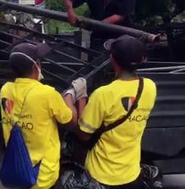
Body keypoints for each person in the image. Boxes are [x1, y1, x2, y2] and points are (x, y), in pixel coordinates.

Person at [66, 35, 157, 188]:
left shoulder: (103, 94)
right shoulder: (149, 87)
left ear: (112, 59)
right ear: (142, 59)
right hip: (131, 174)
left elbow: (84, 134)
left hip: (101, 176)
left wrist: (78, 97)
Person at [0, 43, 80, 189]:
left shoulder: (5, 90)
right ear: (36, 66)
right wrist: (71, 95)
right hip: (42, 176)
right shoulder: (47, 93)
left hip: (17, 169)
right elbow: (70, 120)